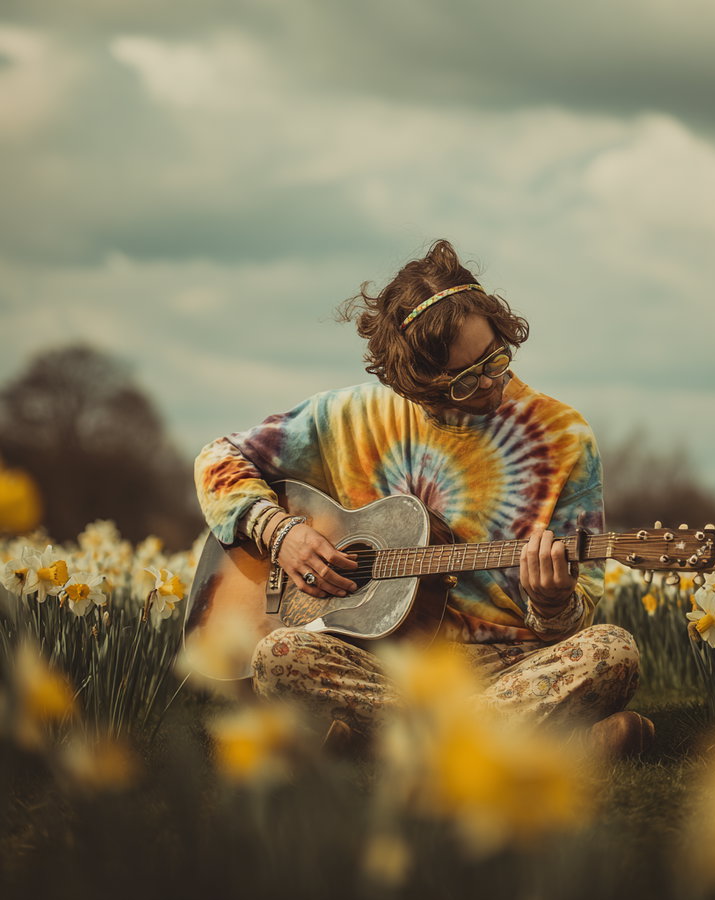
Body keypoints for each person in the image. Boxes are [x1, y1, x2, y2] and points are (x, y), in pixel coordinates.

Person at [194, 239, 653, 758]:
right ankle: (530, 744)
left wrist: (553, 603)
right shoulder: (346, 417)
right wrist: (283, 534)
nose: (489, 383)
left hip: (511, 665)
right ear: (412, 385)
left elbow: (578, 615)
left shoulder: (563, 436)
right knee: (278, 656)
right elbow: (216, 460)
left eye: (494, 358)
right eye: (462, 382)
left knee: (612, 653)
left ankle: (383, 740)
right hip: (382, 664)